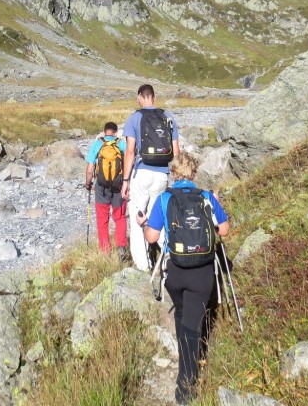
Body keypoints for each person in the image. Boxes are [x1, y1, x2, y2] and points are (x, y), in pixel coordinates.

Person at [139, 152, 231, 405]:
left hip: (175, 272)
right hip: (202, 271)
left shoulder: (164, 198)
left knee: (182, 315)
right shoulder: (207, 197)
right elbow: (224, 230)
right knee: (193, 323)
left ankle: (185, 379)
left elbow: (151, 238)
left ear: (173, 173)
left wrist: (143, 223)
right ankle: (187, 385)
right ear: (193, 173)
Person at [121, 83, 179, 271]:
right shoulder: (168, 117)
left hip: (142, 173)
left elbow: (130, 152)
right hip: (162, 174)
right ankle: (167, 258)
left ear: (140, 97)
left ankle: (143, 265)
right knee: (159, 216)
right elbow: (176, 152)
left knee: (138, 215)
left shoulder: (134, 118)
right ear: (154, 96)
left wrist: (125, 181)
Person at [84, 121, 128, 255]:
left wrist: (88, 183)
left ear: (104, 131)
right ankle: (121, 246)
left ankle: (105, 249)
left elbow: (90, 169)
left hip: (101, 186)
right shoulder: (121, 144)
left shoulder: (98, 144)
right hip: (119, 185)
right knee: (120, 217)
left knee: (102, 219)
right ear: (115, 132)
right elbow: (128, 164)